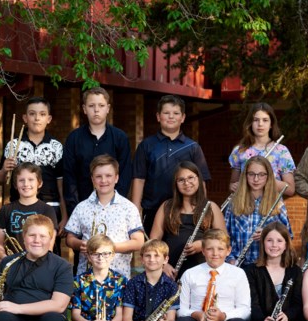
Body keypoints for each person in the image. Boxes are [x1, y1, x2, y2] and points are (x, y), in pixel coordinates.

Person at [0, 162, 58, 321]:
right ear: (15, 183)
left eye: (31, 180)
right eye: (21, 180)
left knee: (44, 315)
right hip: (14, 268)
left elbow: (50, 241)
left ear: (39, 183)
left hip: (39, 267)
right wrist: (9, 263)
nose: (26, 184)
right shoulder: (7, 209)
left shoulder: (46, 209)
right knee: (9, 313)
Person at [131, 94, 211, 234]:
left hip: (185, 211)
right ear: (158, 116)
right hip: (152, 209)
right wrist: (136, 208)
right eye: (166, 113)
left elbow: (201, 181)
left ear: (183, 118)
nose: (171, 117)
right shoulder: (146, 146)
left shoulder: (193, 147)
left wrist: (202, 209)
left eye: (176, 113)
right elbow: (139, 179)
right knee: (154, 252)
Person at [65, 155, 144, 278]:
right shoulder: (82, 207)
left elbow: (139, 242)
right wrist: (80, 244)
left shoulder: (128, 208)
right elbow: (69, 238)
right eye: (98, 176)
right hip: (87, 278)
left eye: (108, 176)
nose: (103, 180)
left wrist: (108, 248)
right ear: (92, 179)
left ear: (116, 178)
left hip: (118, 276)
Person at [0, 96, 66, 231]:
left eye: (42, 114)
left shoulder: (56, 146)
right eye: (32, 114)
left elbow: (61, 185)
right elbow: (0, 179)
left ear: (49, 119)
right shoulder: (13, 145)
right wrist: (4, 169)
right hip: (20, 206)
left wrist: (64, 215)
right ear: (25, 118)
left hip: (49, 205)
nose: (37, 118)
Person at [62, 87, 132, 215]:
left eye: (101, 105)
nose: (96, 110)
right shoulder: (74, 138)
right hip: (80, 207)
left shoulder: (120, 138)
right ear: (84, 109)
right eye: (91, 105)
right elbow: (69, 177)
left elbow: (125, 175)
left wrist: (115, 206)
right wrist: (75, 209)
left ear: (108, 108)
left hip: (113, 209)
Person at [150, 161, 225, 281]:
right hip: (171, 271)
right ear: (176, 184)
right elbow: (154, 241)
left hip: (202, 270)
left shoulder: (211, 207)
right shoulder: (166, 207)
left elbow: (223, 240)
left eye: (191, 178)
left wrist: (202, 244)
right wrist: (162, 264)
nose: (187, 183)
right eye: (181, 180)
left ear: (199, 179)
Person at [224, 156, 291, 266]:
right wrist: (231, 261)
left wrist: (268, 234)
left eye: (261, 175)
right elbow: (225, 237)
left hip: (267, 265)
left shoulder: (277, 202)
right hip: (239, 265)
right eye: (251, 174)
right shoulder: (234, 202)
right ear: (245, 176)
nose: (256, 179)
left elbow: (288, 236)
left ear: (268, 177)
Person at [227, 102, 296, 196]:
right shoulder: (239, 150)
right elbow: (232, 185)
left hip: (271, 208)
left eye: (265, 120)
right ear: (250, 123)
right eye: (256, 120)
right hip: (243, 208)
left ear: (271, 124)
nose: (260, 124)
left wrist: (266, 179)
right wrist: (233, 186)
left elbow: (290, 190)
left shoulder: (281, 151)